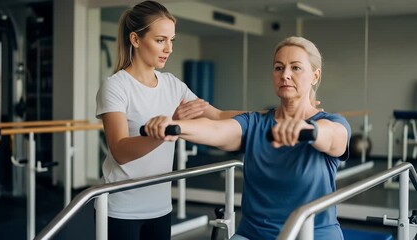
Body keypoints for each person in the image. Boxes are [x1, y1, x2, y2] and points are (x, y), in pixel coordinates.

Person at [143, 36, 351, 240]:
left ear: (315, 76)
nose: (285, 75)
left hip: (313, 234)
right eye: (278, 67)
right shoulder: (255, 123)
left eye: (295, 68)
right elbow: (216, 129)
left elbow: (333, 137)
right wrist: (174, 126)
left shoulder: (331, 122)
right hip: (254, 234)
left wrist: (307, 130)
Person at [95, 1, 244, 239]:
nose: (169, 48)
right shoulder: (116, 87)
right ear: (135, 39)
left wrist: (276, 114)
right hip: (121, 209)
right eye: (160, 40)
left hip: (160, 207)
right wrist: (168, 129)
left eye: (171, 40)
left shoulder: (173, 85)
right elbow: (120, 150)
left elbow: (216, 115)